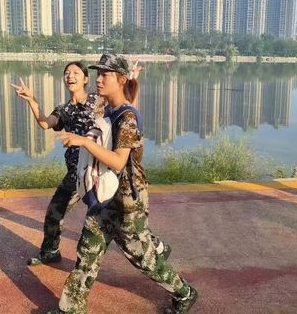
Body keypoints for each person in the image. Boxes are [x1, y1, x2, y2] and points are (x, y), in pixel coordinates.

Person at [50, 53, 198, 314]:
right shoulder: (111, 109)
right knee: (88, 252)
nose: (98, 79)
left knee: (143, 258)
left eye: (105, 75)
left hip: (127, 200)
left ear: (119, 80)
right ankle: (70, 309)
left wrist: (83, 141)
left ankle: (185, 292)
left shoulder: (126, 116)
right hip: (105, 196)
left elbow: (119, 161)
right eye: (98, 74)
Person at [11, 62, 171, 266]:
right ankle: (50, 251)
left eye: (76, 73)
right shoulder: (64, 110)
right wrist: (31, 100)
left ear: (86, 79)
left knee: (125, 221)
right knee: (54, 213)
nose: (70, 76)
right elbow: (45, 123)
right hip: (76, 174)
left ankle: (157, 247)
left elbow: (126, 107)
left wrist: (131, 79)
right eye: (67, 73)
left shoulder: (99, 100)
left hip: (100, 172)